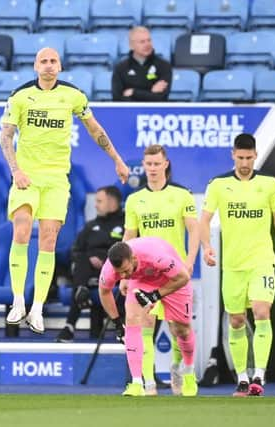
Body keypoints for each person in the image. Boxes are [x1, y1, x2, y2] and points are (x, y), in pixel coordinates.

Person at [1, 47, 130, 334]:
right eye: (43, 61)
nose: (48, 65)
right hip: (27, 176)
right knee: (21, 229)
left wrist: (118, 160)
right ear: (35, 66)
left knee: (49, 238)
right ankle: (18, 300)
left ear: (60, 66)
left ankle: (36, 309)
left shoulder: (73, 96)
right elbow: (6, 138)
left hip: (57, 178)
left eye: (53, 61)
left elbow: (96, 129)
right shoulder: (20, 96)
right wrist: (16, 171)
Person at [200, 133, 275, 397]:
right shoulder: (218, 185)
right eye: (240, 157)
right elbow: (204, 220)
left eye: (249, 158)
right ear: (233, 155)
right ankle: (241, 378)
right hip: (233, 264)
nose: (244, 162)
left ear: (256, 155)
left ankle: (259, 376)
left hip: (262, 261)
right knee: (237, 320)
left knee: (262, 312)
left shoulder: (270, 184)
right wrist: (207, 247)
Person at [122, 144, 199, 396]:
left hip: (173, 273)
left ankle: (183, 372)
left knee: (180, 329)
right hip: (145, 274)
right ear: (143, 166)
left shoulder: (182, 195)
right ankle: (148, 384)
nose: (152, 169)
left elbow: (194, 229)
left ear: (166, 164)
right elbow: (130, 236)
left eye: (157, 164)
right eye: (149, 164)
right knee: (145, 324)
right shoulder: (134, 200)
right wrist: (124, 272)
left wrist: (190, 260)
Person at [98, 238, 198, 397]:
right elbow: (104, 292)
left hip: (172, 279)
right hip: (142, 281)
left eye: (125, 270)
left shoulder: (155, 256)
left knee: (182, 329)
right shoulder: (110, 269)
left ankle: (188, 371)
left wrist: (154, 296)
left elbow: (183, 277)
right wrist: (117, 322)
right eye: (119, 273)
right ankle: (137, 383)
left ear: (134, 259)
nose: (123, 275)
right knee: (131, 319)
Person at [56, 186, 125, 343]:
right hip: (89, 273)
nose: (95, 205)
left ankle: (72, 319)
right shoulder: (90, 226)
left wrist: (108, 262)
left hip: (115, 273)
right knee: (82, 260)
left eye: (99, 201)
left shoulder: (126, 225)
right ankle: (82, 293)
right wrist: (90, 258)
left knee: (111, 258)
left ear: (112, 202)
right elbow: (75, 250)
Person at [111, 26, 172, 101]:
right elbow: (117, 99)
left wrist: (133, 92)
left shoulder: (164, 66)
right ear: (131, 46)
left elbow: (161, 98)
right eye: (142, 42)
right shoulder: (120, 68)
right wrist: (151, 92)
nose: (147, 44)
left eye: (149, 40)